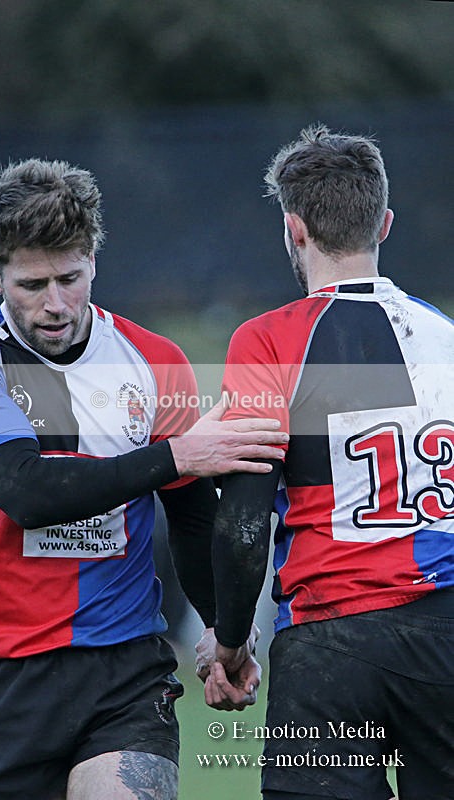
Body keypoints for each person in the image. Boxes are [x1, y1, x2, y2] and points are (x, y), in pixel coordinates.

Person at [0, 158, 287, 800]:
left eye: (70, 278)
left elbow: (192, 516)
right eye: (32, 284)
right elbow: (28, 493)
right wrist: (177, 456)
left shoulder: (154, 360)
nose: (55, 304)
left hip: (126, 668)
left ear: (93, 260)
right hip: (7, 673)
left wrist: (221, 631)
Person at [201, 125, 454, 800]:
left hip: (331, 639)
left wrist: (230, 641)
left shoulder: (267, 341)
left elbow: (244, 524)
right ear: (385, 223)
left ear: (294, 230)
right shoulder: (444, 336)